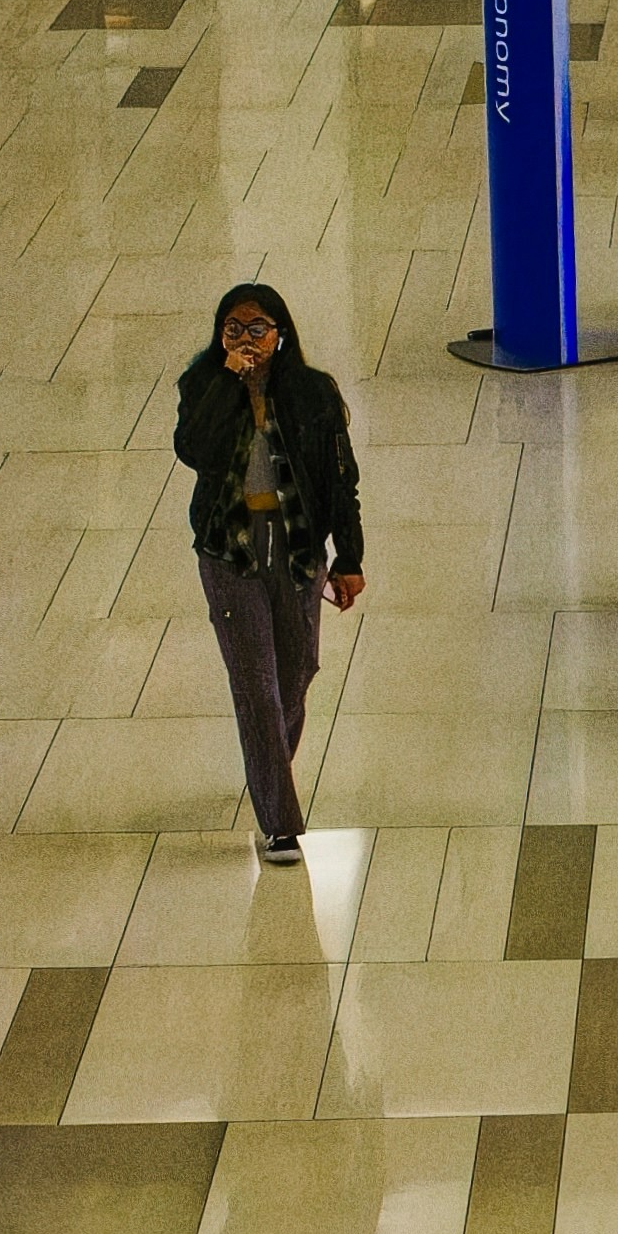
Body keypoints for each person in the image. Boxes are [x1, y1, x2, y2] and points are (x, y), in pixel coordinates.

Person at [169, 282, 365, 864]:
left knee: (297, 668)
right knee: (255, 684)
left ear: (281, 334)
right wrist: (229, 383)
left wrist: (349, 557)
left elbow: (339, 478)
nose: (247, 340)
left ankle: (266, 766)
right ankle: (279, 822)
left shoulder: (312, 392)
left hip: (299, 546)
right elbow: (193, 450)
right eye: (234, 328)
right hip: (230, 549)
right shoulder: (203, 384)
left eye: (259, 329)